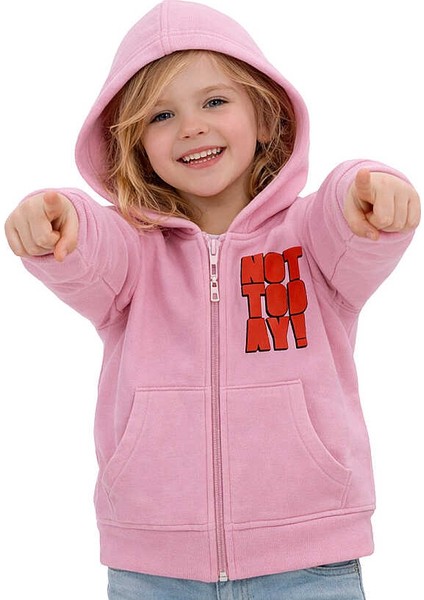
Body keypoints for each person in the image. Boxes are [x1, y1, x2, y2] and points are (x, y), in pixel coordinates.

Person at [4, 0, 420, 598]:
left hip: (309, 565)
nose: (191, 126)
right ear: (135, 145)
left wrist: (372, 187)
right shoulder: (135, 253)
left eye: (215, 101)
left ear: (266, 116)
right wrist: (56, 218)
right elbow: (91, 247)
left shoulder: (310, 240)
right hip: (154, 571)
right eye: (161, 114)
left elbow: (345, 209)